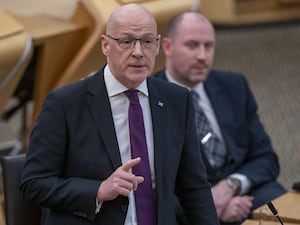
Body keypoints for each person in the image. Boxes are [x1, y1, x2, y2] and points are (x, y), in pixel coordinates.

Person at [20, 4, 219, 225]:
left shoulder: (176, 100)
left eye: (146, 41)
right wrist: (98, 190)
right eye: (126, 41)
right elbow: (34, 184)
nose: (138, 52)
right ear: (105, 45)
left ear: (157, 45)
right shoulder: (65, 103)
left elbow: (194, 187)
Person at [154, 12, 286, 225]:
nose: (202, 56)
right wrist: (208, 206)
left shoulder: (234, 86)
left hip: (246, 190)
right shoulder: (149, 100)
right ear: (167, 47)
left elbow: (266, 158)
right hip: (189, 209)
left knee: (286, 214)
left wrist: (231, 185)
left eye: (209, 46)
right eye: (192, 45)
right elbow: (153, 190)